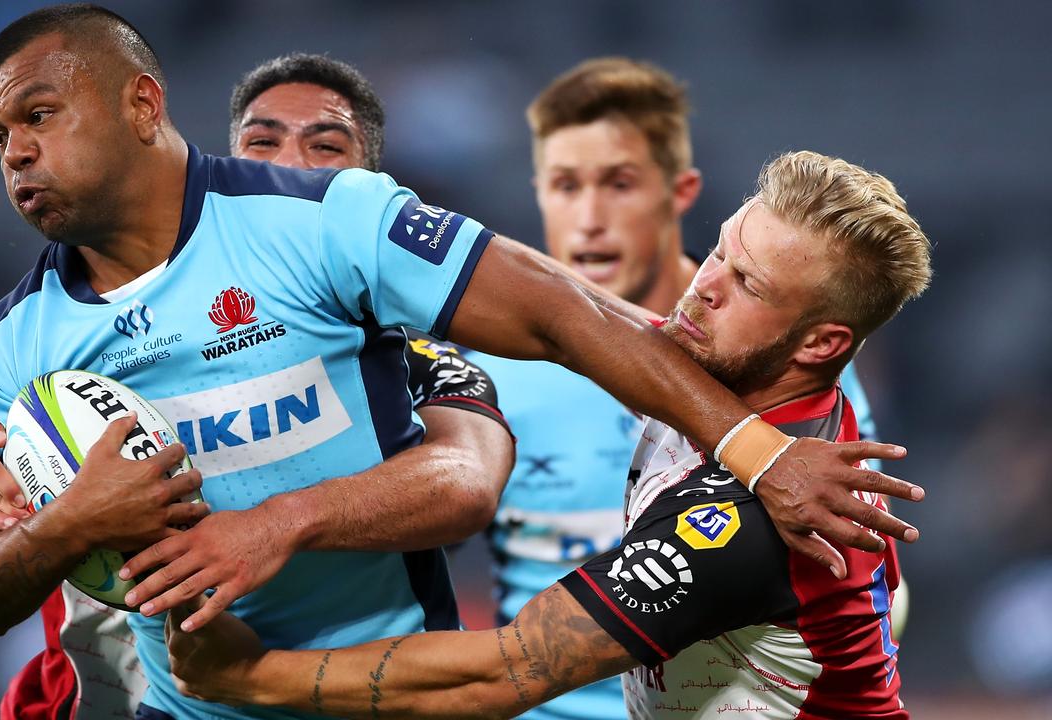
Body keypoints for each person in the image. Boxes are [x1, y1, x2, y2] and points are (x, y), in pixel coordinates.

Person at [0, 4, 920, 719]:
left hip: (362, 692)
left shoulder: (343, 251)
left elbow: (484, 531)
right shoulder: (15, 347)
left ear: (143, 106)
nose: (691, 287)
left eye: (38, 115)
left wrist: (269, 571)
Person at [165, 149, 932, 720]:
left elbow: (504, 674)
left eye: (749, 284)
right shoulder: (741, 387)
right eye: (722, 249)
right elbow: (573, 314)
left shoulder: (742, 525)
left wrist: (253, 677)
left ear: (819, 346)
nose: (704, 284)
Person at [472, 57, 882, 719]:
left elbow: (851, 557)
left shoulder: (786, 376)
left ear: (680, 192)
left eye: (620, 184)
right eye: (565, 185)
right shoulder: (493, 362)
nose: (589, 218)